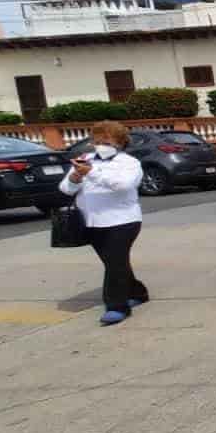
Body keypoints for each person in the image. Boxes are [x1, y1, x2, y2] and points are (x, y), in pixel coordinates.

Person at [60, 121, 148, 326]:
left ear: (119, 142)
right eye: (97, 140)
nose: (100, 144)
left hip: (123, 221)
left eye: (105, 140)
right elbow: (65, 189)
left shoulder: (129, 163)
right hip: (91, 222)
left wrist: (91, 173)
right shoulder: (86, 160)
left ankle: (116, 306)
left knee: (115, 261)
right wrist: (75, 177)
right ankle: (137, 291)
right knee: (113, 262)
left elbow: (123, 185)